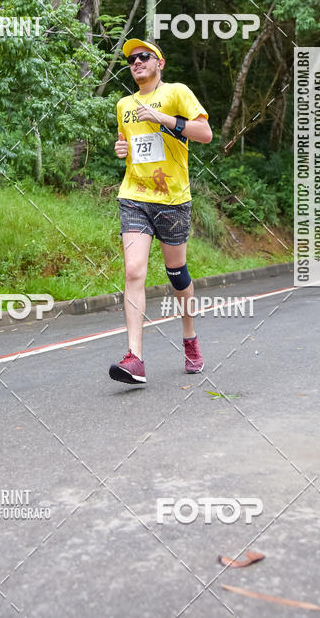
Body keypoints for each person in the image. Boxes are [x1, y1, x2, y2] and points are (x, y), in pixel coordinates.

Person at [109, 39, 212, 385]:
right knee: (134, 270)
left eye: (143, 57)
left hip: (172, 200)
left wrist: (163, 118)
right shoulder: (123, 104)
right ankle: (135, 358)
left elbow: (205, 134)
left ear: (159, 63)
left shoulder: (177, 93)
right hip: (134, 196)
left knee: (176, 275)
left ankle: (190, 336)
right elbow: (128, 143)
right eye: (131, 60)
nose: (136, 62)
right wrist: (121, 148)